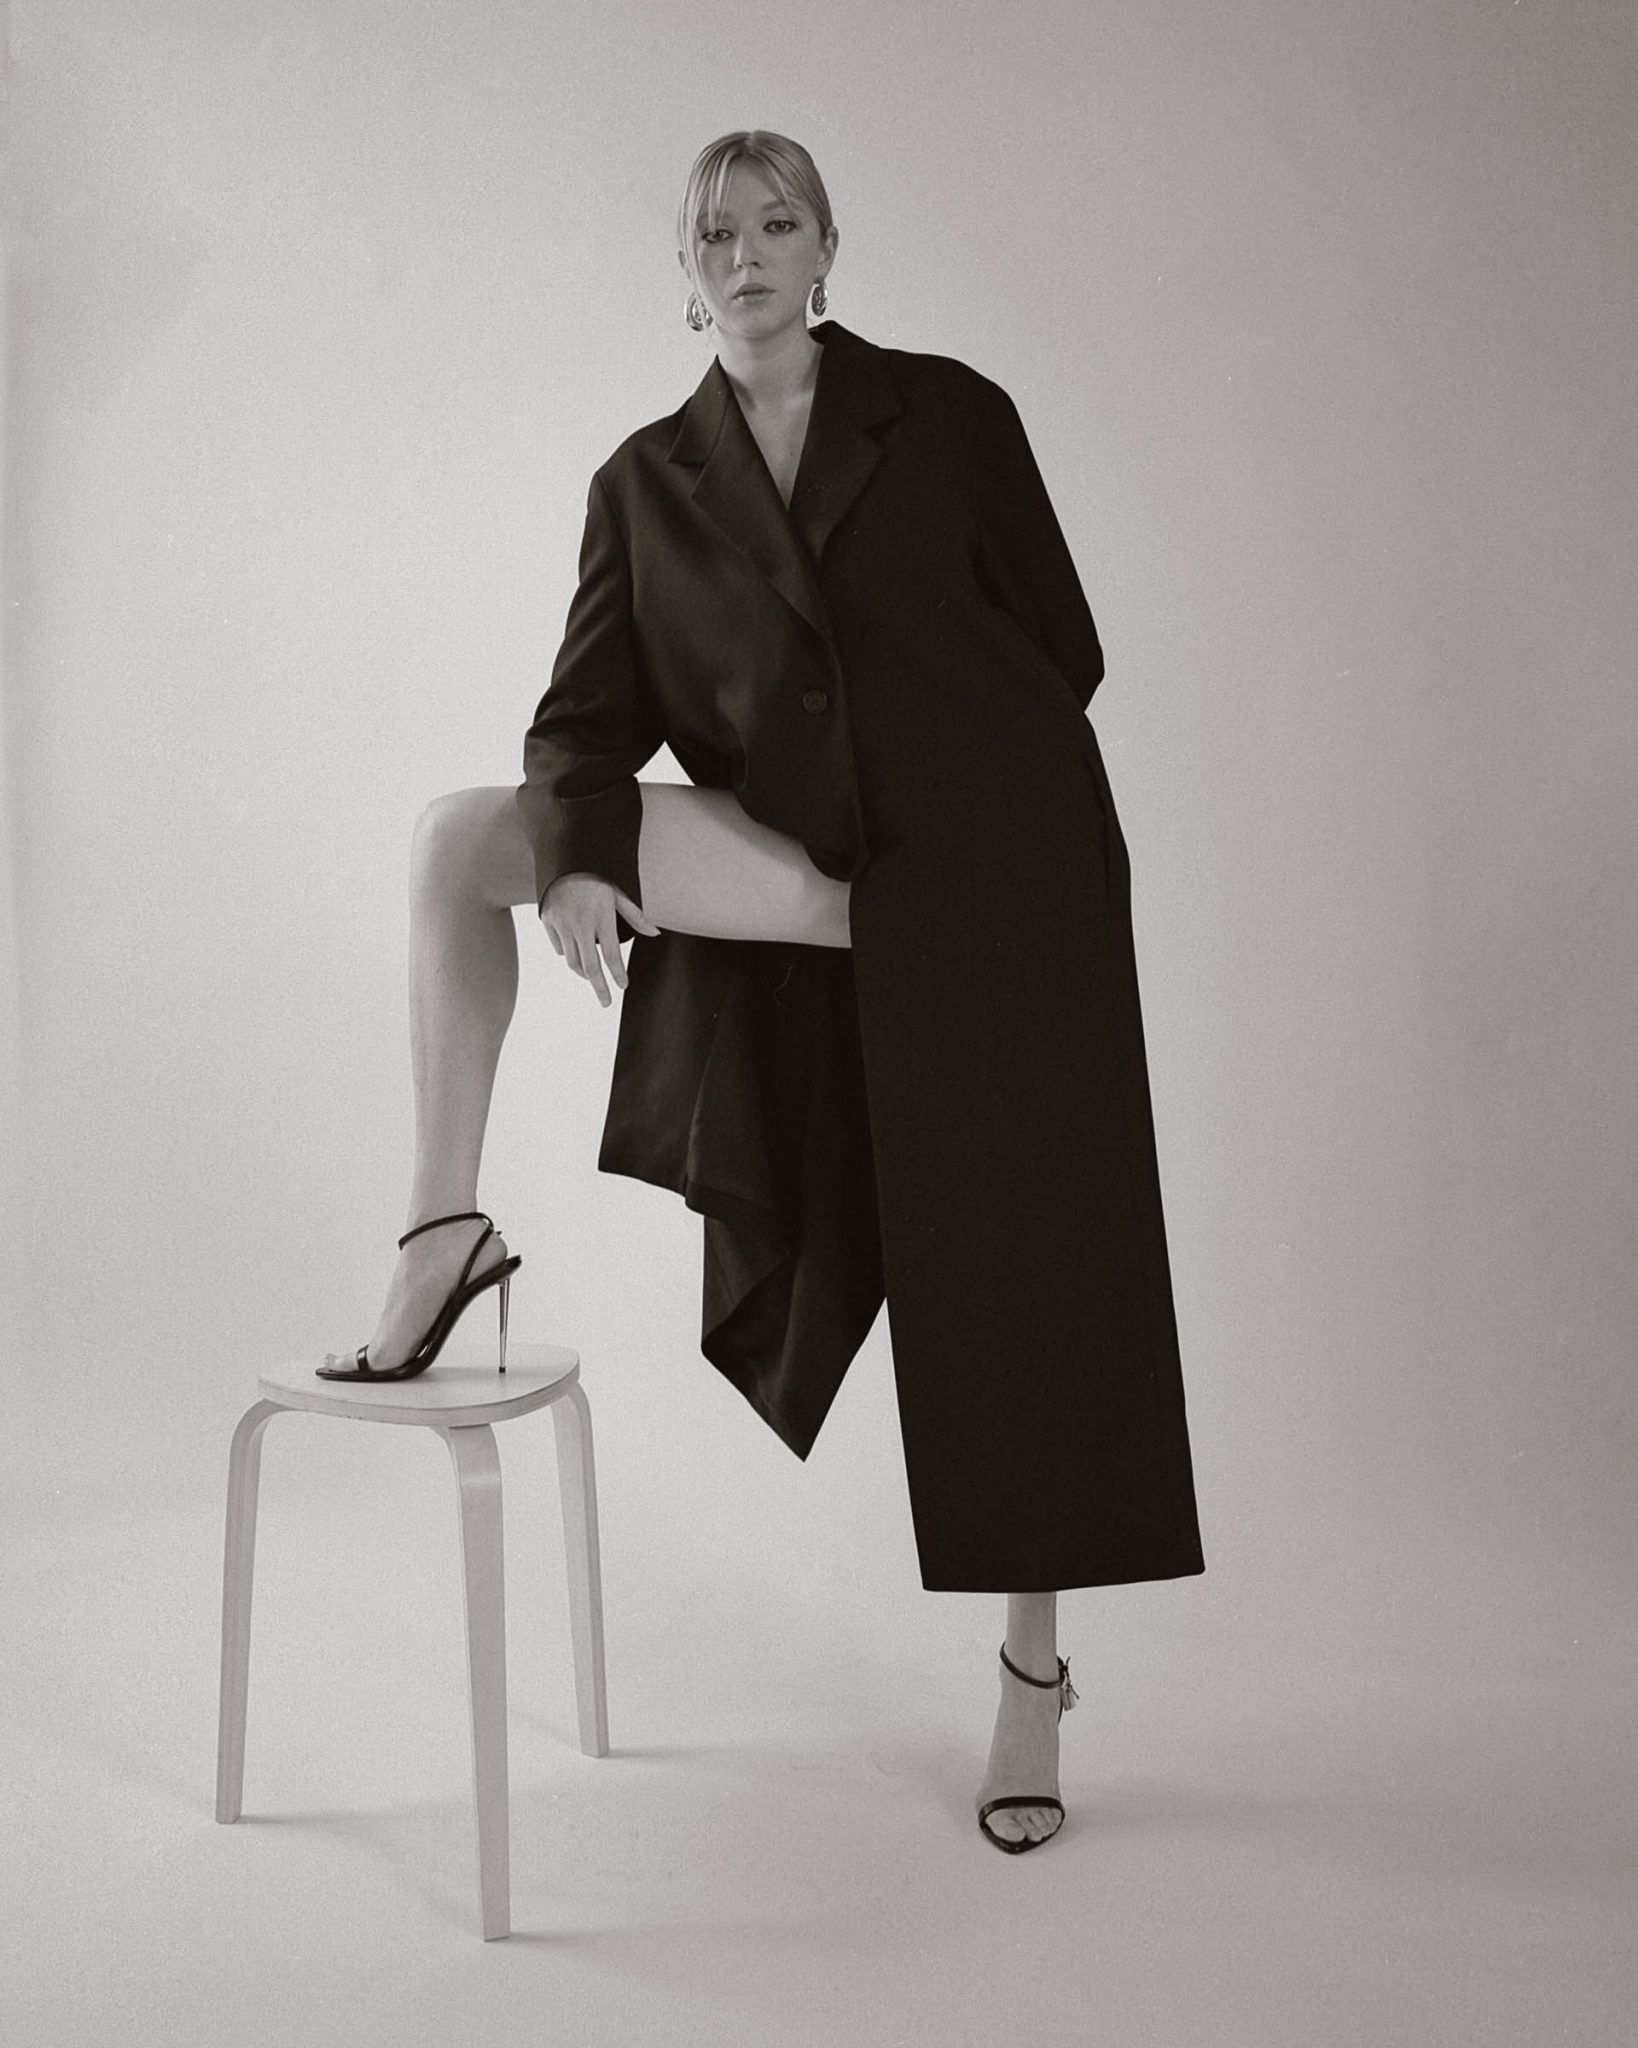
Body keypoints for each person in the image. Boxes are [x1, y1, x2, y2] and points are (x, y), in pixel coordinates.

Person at [319, 130, 1205, 1854]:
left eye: (776, 224)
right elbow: (583, 722)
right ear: (684, 270)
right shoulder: (645, 482)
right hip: (809, 867)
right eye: (714, 232)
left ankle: (1030, 1684)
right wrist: (583, 853)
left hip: (997, 875)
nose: (746, 254)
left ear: (824, 249)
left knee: (1021, 1286)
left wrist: (937, 783)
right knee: (456, 844)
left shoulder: (950, 414)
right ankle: (441, 1237)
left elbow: (1064, 646)